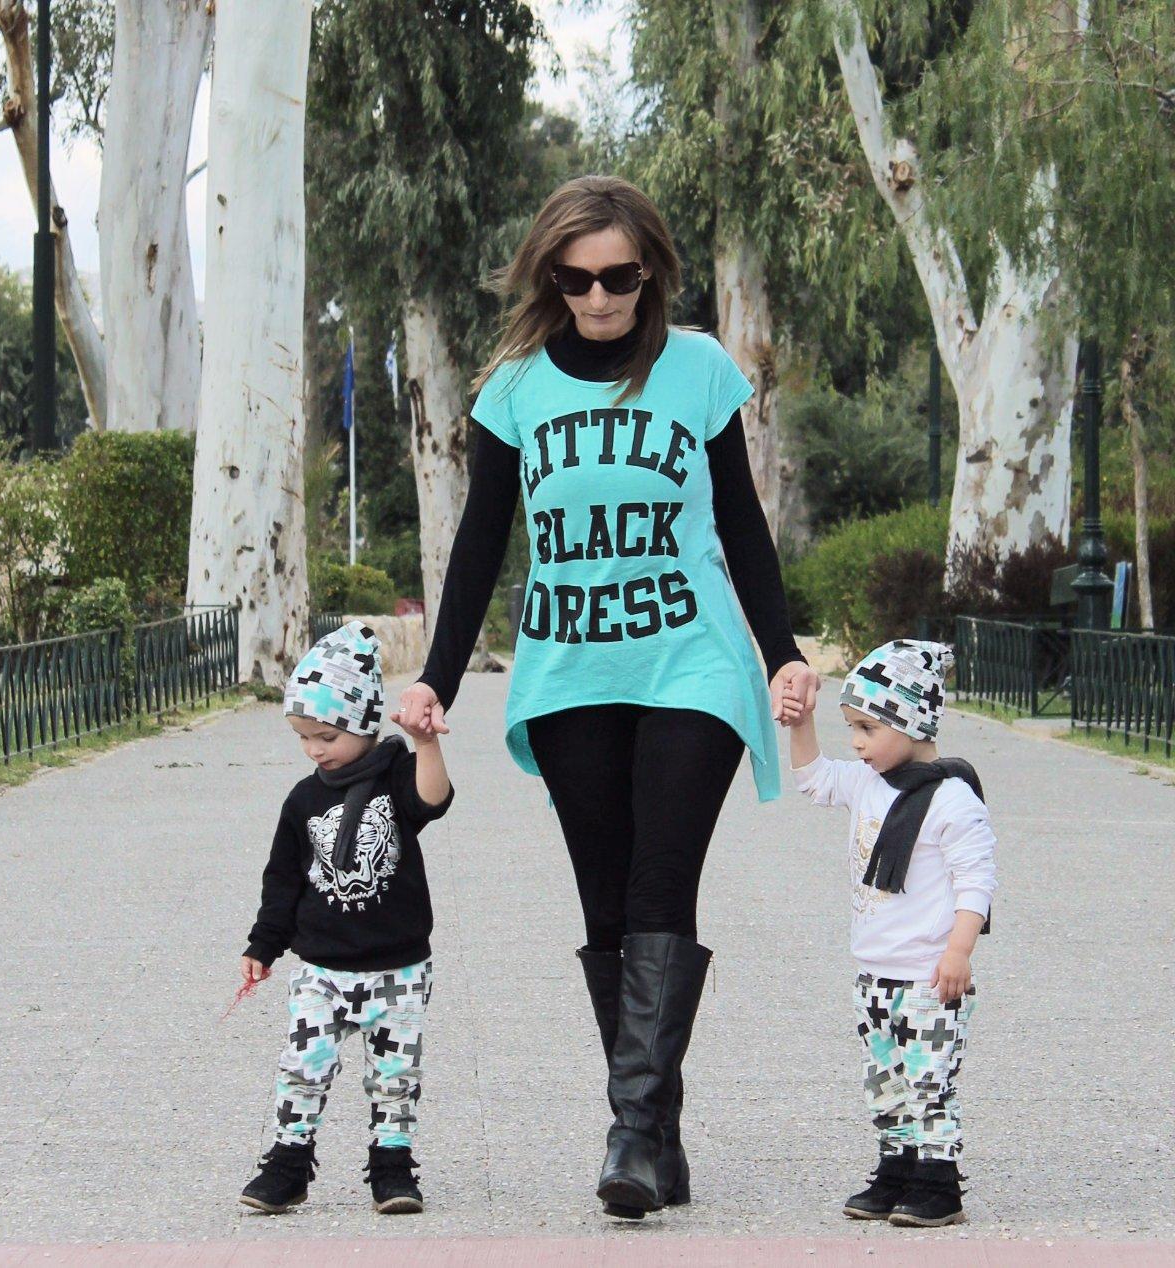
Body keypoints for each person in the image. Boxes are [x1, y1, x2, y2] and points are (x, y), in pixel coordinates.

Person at [395, 173, 821, 1219]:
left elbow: (740, 520)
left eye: (618, 277)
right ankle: (658, 1137)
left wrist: (781, 652)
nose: (597, 298)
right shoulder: (514, 390)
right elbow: (481, 541)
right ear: (551, 278)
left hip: (692, 662)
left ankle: (629, 1133)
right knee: (606, 900)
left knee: (659, 885)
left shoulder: (698, 369)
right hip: (569, 670)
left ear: (651, 273)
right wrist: (437, 676)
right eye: (575, 279)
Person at [238, 621, 454, 1216]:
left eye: (327, 735)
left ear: (364, 723)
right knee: (302, 1068)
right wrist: (263, 945)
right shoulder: (302, 800)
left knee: (395, 1075)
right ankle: (288, 1165)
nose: (315, 749)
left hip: (398, 968)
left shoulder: (394, 778)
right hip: (322, 969)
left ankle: (392, 1167)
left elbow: (433, 799)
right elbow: (282, 881)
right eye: (303, 737)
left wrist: (426, 745)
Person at [788, 638, 996, 1228]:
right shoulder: (865, 782)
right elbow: (813, 779)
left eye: (868, 728)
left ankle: (939, 1183)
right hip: (874, 973)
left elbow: (976, 881)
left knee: (929, 1081)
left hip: (930, 975)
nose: (856, 743)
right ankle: (896, 1168)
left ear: (911, 721)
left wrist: (959, 951)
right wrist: (801, 724)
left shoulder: (953, 800)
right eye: (851, 728)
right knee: (885, 1081)